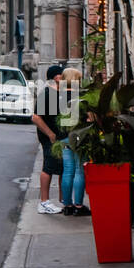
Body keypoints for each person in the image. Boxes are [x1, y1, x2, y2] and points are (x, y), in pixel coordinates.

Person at [54, 66, 90, 217]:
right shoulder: (81, 96)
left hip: (63, 137)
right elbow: (88, 118)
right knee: (79, 171)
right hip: (79, 137)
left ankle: (67, 205)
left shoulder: (57, 96)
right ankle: (79, 205)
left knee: (67, 171)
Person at [33, 63, 65, 214]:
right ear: (56, 77)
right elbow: (36, 117)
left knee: (61, 168)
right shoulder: (48, 94)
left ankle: (63, 201)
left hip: (58, 138)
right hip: (50, 139)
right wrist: (50, 134)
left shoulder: (58, 93)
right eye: (61, 74)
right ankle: (44, 202)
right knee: (48, 167)